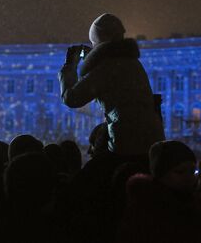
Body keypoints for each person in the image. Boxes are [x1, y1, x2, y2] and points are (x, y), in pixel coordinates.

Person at [58, 13, 164, 156]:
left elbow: (72, 98)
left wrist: (70, 66)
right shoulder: (132, 62)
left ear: (98, 42)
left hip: (127, 140)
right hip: (152, 137)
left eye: (94, 43)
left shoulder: (107, 68)